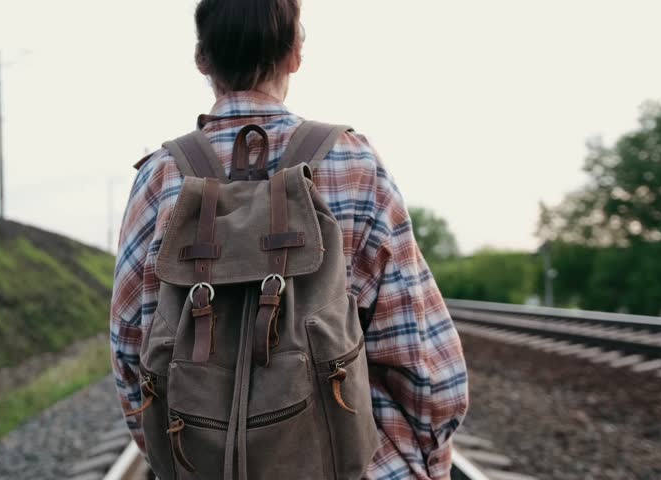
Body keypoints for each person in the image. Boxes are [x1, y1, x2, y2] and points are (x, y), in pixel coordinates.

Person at [110, 1, 469, 478]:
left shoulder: (160, 176)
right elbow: (415, 345)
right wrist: (430, 459)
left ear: (202, 59)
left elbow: (131, 343)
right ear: (295, 54)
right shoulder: (352, 161)